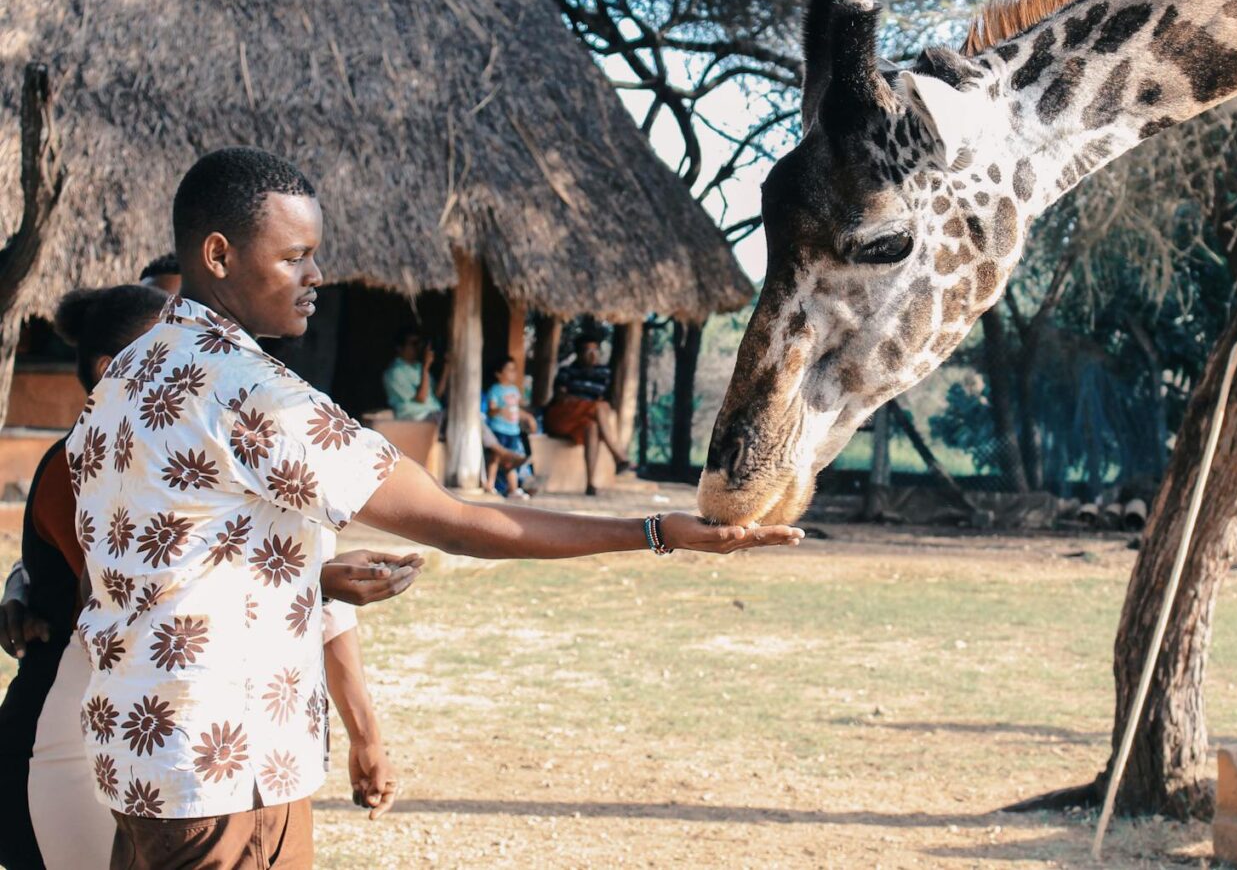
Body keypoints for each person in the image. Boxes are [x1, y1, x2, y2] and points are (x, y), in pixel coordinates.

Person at [64, 147, 800, 868]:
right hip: (226, 759)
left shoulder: (129, 373)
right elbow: (457, 522)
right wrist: (654, 531)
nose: (317, 274)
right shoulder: (250, 392)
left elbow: (170, 554)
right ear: (219, 255)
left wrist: (308, 581)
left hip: (144, 742)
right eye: (295, 256)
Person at [1, 284, 422, 868]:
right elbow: (142, 591)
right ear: (114, 368)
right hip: (78, 738)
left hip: (200, 749)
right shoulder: (91, 460)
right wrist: (315, 579)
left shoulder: (224, 443)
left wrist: (366, 734)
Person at [544, 332, 632, 496]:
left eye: (595, 350)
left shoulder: (603, 373)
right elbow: (561, 398)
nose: (592, 354)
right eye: (587, 351)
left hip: (583, 420)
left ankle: (590, 483)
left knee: (592, 427)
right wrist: (585, 403)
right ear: (578, 353)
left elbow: (602, 398)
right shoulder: (567, 371)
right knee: (599, 407)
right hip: (562, 417)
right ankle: (618, 456)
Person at [484, 358, 535, 498]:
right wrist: (500, 410)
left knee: (511, 461)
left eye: (515, 369)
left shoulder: (514, 390)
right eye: (510, 369)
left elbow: (517, 409)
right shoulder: (495, 390)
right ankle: (490, 484)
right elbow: (491, 410)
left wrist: (528, 418)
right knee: (496, 457)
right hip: (499, 429)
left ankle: (513, 489)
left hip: (513, 431)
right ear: (499, 374)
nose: (514, 372)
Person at [383, 327, 446, 422]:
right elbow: (421, 398)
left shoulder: (418, 367)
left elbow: (437, 394)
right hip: (418, 417)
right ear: (399, 348)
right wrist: (425, 368)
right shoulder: (394, 372)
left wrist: (447, 365)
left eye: (419, 343)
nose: (418, 347)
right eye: (414, 344)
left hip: (434, 413)